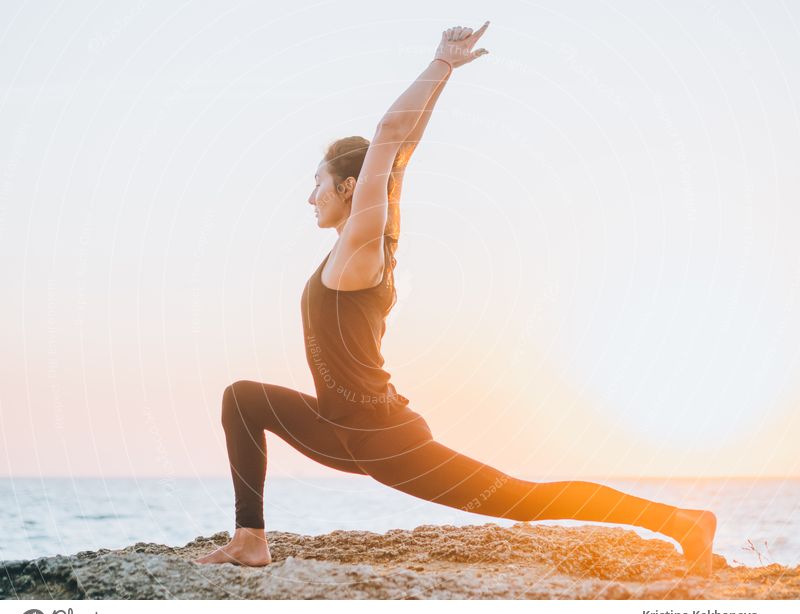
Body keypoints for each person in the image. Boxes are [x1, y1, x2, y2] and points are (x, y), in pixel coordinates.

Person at [196, 22, 717, 576]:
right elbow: (400, 149)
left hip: (385, 442)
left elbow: (390, 136)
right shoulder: (360, 240)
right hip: (338, 426)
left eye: (318, 182)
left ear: (350, 188)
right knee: (243, 399)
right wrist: (441, 82)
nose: (310, 196)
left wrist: (441, 63)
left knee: (524, 500)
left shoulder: (362, 245)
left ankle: (683, 521)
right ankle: (250, 538)